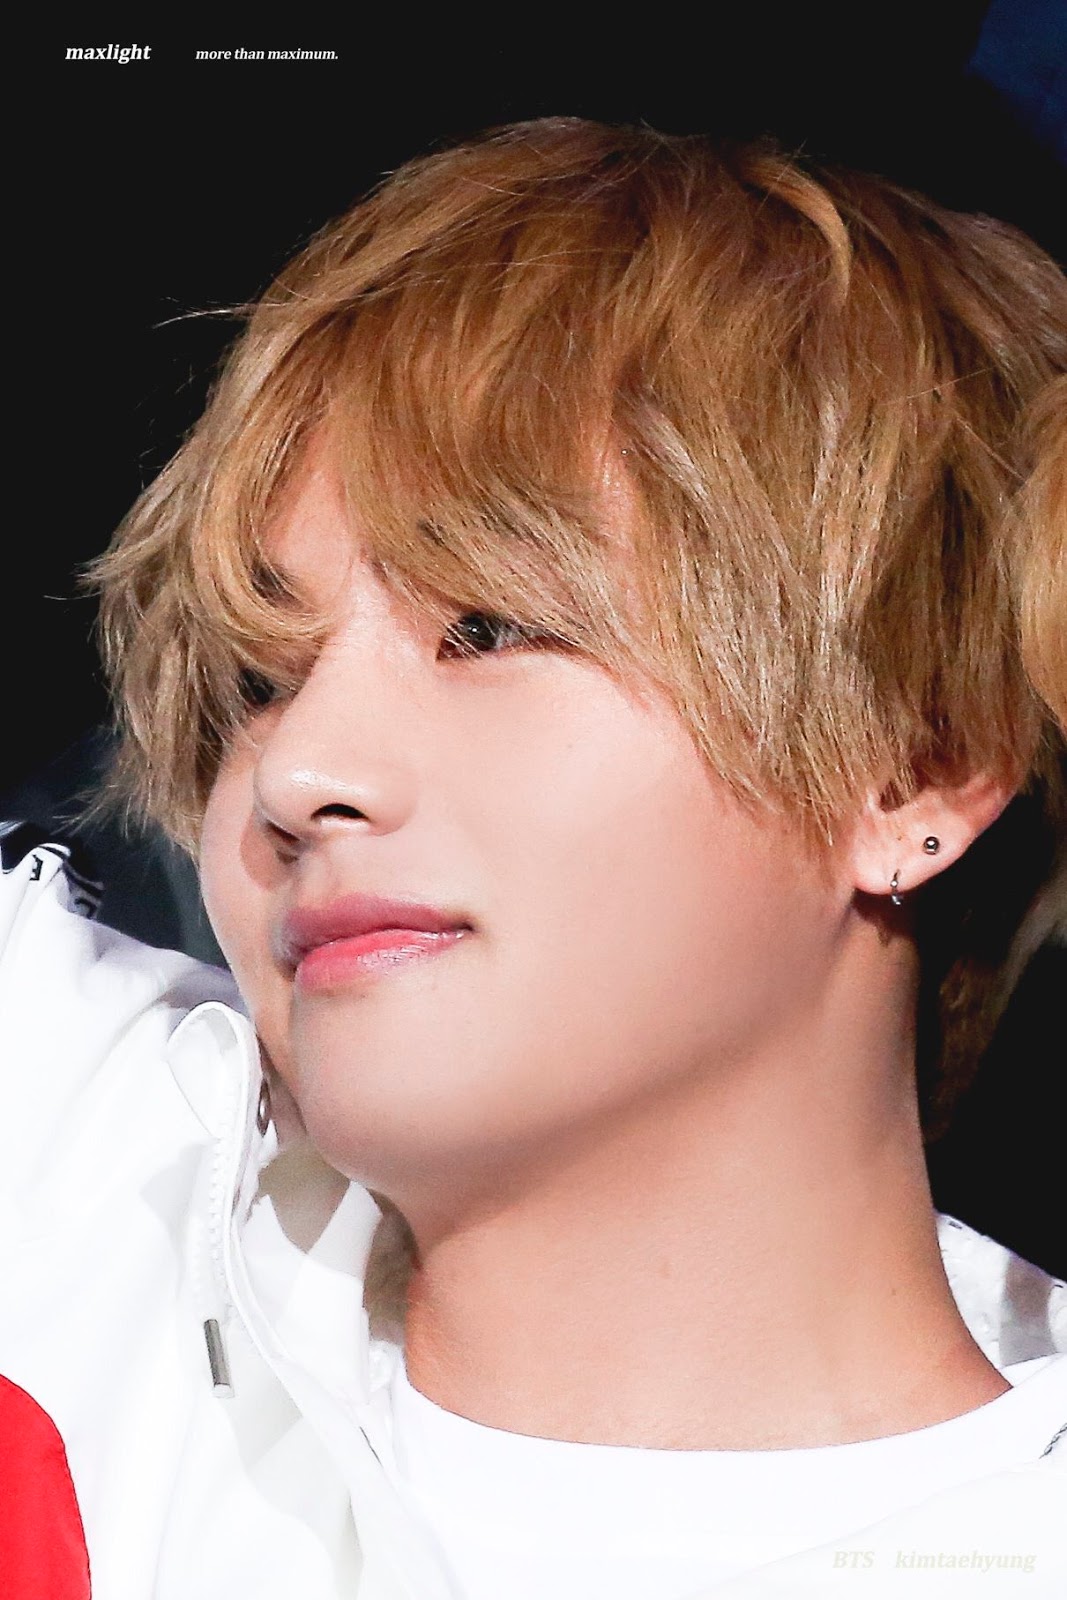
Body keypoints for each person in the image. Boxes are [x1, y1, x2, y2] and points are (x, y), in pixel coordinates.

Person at [2, 117, 1065, 1600]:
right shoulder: (84, 1172)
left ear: (911, 766)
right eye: (262, 679)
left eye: (486, 629)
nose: (299, 774)